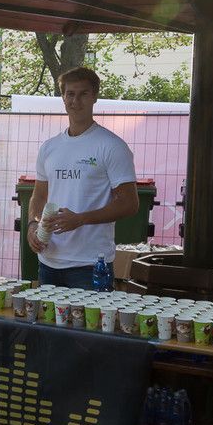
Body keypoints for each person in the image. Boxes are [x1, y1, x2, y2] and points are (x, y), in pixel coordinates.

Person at [26, 67, 139, 289]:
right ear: (63, 97)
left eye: (83, 94)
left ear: (95, 96)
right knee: (47, 315)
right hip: (49, 261)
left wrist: (81, 219)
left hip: (90, 264)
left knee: (89, 316)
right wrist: (32, 225)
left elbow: (130, 204)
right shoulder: (49, 147)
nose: (75, 101)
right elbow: (38, 196)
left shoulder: (112, 146)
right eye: (70, 94)